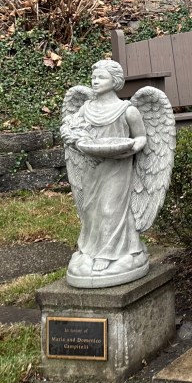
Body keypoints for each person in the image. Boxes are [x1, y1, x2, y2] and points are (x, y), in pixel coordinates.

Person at [61, 60, 149, 284]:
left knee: (111, 209)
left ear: (115, 81)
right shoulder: (85, 109)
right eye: (94, 77)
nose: (95, 81)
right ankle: (90, 251)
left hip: (118, 167)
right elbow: (71, 129)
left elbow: (141, 137)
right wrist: (75, 139)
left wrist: (131, 148)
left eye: (101, 77)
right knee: (92, 210)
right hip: (92, 166)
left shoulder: (127, 110)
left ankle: (110, 254)